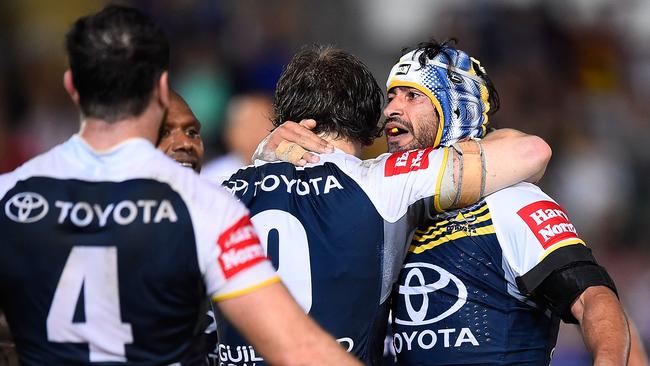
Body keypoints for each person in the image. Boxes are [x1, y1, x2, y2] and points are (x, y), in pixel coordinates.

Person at [0, 5, 360, 366]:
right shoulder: (205, 207)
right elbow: (298, 348)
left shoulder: (9, 195)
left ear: (72, 86)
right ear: (161, 89)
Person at [163, 44, 550, 366]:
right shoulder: (384, 180)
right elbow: (530, 151)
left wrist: (263, 151)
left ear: (285, 118)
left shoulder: (219, 191)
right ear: (368, 122)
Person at [258, 39, 634, 365]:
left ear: (456, 108)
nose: (390, 109)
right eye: (390, 97)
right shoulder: (383, 205)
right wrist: (268, 146)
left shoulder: (513, 202)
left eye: (411, 95)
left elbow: (593, 297)